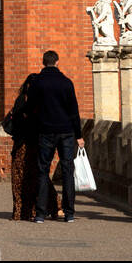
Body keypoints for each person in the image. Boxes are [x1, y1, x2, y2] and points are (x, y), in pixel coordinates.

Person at [26, 49, 84, 223]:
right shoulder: (66, 83)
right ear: (57, 62)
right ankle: (69, 213)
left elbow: (30, 107)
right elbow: (74, 111)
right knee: (67, 170)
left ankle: (41, 213)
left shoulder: (38, 83)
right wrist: (79, 135)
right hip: (66, 131)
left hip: (45, 131)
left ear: (44, 63)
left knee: (43, 171)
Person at [7, 72, 62, 221]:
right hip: (26, 145)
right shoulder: (26, 101)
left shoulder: (35, 101)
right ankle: (27, 210)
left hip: (32, 145)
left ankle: (33, 210)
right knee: (26, 179)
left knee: (34, 178)